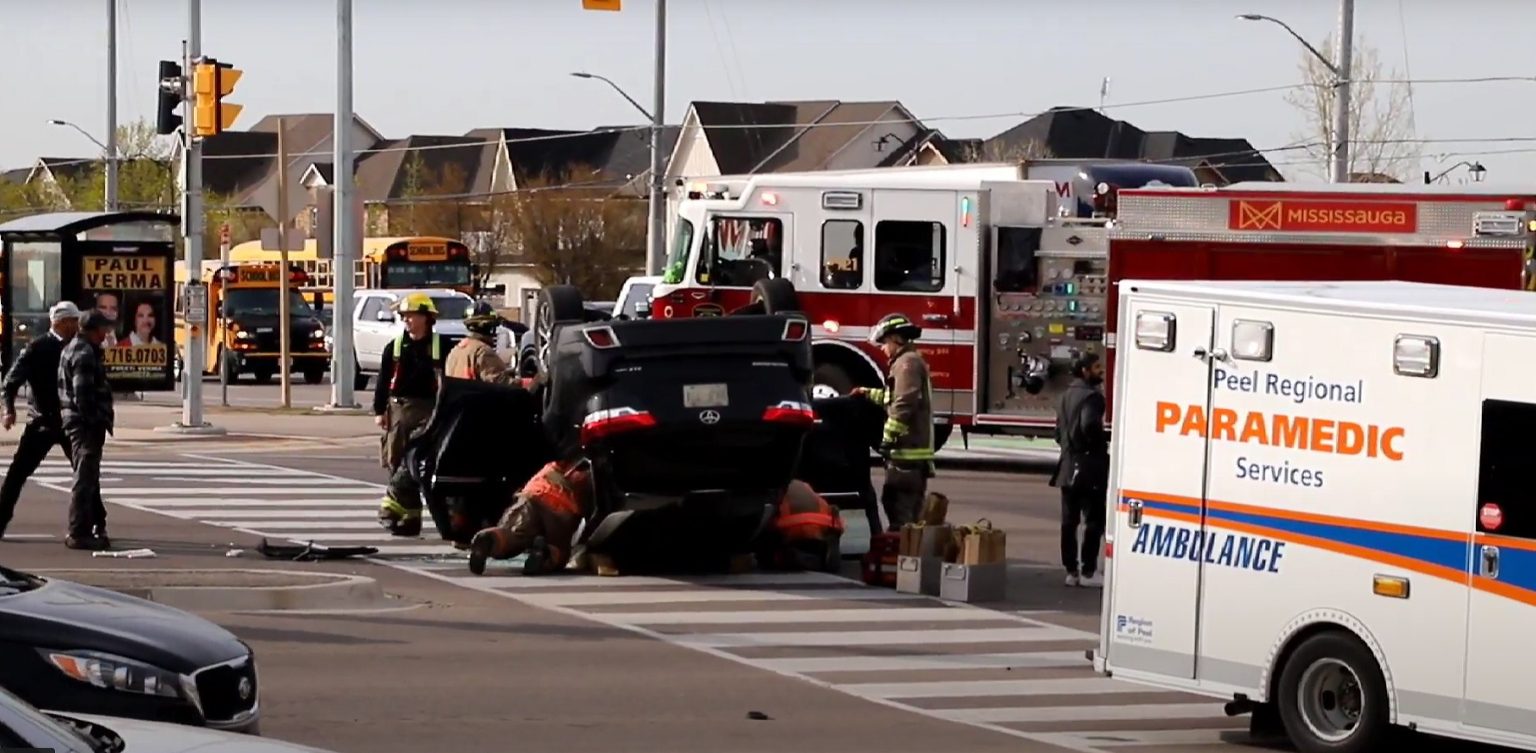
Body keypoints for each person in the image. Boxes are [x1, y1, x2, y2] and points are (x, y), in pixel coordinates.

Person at [0, 302, 106, 542]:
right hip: (42, 421)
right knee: (18, 474)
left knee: (87, 474)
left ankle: (98, 523)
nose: (76, 326)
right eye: (72, 321)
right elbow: (11, 380)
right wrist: (9, 409)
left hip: (70, 421)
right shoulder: (38, 347)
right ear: (62, 322)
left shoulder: (79, 346)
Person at [374, 293, 450, 537]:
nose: (407, 321)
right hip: (399, 410)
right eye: (404, 316)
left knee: (421, 463)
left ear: (427, 318)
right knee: (396, 460)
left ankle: (395, 507)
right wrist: (379, 411)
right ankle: (409, 519)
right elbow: (383, 381)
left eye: (412, 316)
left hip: (431, 410)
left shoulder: (442, 346)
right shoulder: (394, 347)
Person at [852, 313, 935, 531]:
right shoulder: (907, 362)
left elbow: (904, 402)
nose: (882, 348)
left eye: (884, 343)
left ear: (896, 339)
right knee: (907, 511)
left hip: (906, 453)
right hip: (910, 453)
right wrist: (867, 393)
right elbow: (893, 397)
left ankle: (904, 556)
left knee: (898, 507)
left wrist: (889, 437)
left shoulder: (907, 364)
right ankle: (910, 554)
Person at [466, 457, 594, 576]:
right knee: (559, 550)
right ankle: (543, 554)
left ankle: (489, 538)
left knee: (513, 534)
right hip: (560, 506)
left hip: (533, 492)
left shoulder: (564, 456)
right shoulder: (593, 469)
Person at [1050, 351, 1109, 588]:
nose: (1101, 371)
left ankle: (1071, 570)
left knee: (1069, 521)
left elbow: (1057, 433)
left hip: (1066, 466)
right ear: (1085, 371)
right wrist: (1100, 443)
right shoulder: (1092, 397)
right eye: (1096, 367)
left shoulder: (1065, 396)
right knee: (1094, 520)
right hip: (1089, 466)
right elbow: (1089, 426)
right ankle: (1088, 570)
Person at [58, 310, 115, 551]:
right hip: (84, 424)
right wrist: (94, 419)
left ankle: (91, 523)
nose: (106, 334)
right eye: (103, 329)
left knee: (88, 475)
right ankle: (78, 531)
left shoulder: (72, 348)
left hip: (75, 421)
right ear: (93, 329)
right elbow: (82, 394)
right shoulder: (84, 353)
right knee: (84, 476)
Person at [758, 480, 845, 571]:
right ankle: (824, 552)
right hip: (824, 524)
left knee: (765, 527)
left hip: (790, 526)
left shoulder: (774, 489)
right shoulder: (804, 486)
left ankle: (784, 557)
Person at [445, 301, 515, 384]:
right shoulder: (483, 352)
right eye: (493, 326)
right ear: (487, 327)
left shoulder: (455, 351)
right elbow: (500, 382)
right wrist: (525, 384)